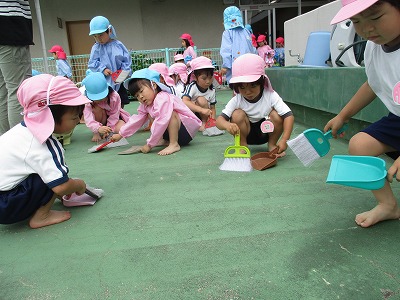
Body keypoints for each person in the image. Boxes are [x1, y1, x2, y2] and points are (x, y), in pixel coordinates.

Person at [324, 0, 400, 228]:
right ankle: (388, 205)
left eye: (375, 18)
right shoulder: (372, 47)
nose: (366, 29)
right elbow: (373, 84)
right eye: (356, 21)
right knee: (359, 146)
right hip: (397, 119)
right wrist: (343, 115)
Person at [0, 74, 91, 228]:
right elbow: (61, 187)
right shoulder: (46, 145)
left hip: (6, 198)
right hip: (7, 206)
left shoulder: (17, 132)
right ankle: (41, 216)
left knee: (46, 173)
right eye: (75, 116)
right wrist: (79, 185)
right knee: (55, 178)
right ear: (50, 115)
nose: (78, 120)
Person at [216, 53, 294, 155]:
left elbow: (289, 116)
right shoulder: (237, 99)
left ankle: (272, 145)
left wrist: (285, 140)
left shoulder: (270, 95)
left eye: (252, 86)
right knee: (236, 114)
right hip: (246, 133)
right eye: (242, 87)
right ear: (236, 87)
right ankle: (242, 146)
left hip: (266, 132)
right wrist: (227, 125)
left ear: (261, 83)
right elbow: (219, 121)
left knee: (276, 115)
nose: (248, 92)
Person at [111, 69, 201, 156]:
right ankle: (162, 139)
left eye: (141, 91)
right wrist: (121, 134)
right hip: (174, 131)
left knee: (170, 114)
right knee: (150, 113)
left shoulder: (162, 98)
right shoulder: (146, 105)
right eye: (137, 95)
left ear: (153, 85)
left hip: (186, 131)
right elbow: (137, 120)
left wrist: (150, 144)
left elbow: (162, 121)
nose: (141, 97)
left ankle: (174, 144)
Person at [0, 0, 33, 135]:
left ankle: (6, 145)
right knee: (19, 90)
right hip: (10, 25)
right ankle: (20, 143)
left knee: (3, 93)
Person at [88, 16, 132, 108]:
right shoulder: (96, 48)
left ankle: (120, 119)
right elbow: (92, 63)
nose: (99, 39)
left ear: (110, 31)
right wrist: (102, 69)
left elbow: (126, 61)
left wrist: (123, 74)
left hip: (118, 81)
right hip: (104, 82)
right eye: (95, 36)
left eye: (101, 35)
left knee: (120, 103)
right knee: (105, 104)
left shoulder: (118, 45)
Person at [82, 72, 130, 142]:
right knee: (97, 108)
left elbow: (114, 114)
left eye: (101, 98)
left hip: (113, 119)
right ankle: (96, 132)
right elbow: (89, 118)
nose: (99, 100)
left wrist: (109, 129)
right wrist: (98, 129)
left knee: (122, 128)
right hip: (98, 119)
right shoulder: (87, 101)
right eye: (95, 99)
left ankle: (107, 130)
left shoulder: (114, 96)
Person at [220, 6, 256, 85]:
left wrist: (225, 66)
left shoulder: (228, 33)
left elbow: (226, 50)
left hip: (236, 66)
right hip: (249, 65)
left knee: (237, 87)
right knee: (248, 86)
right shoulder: (246, 31)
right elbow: (252, 48)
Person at [182, 56, 217, 131]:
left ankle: (205, 122)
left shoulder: (212, 90)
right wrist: (201, 110)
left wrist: (213, 120)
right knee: (201, 99)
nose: (208, 81)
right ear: (195, 77)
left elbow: (212, 108)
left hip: (205, 114)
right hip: (192, 115)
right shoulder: (192, 87)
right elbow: (184, 101)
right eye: (204, 78)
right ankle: (199, 123)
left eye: (210, 78)